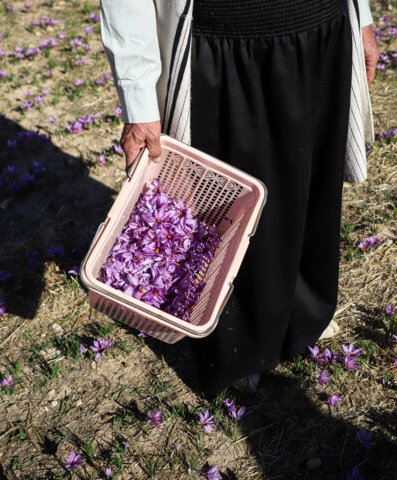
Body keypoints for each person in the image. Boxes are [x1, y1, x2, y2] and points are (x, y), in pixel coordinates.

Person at [100, 0, 378, 395]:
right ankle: (242, 343)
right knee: (235, 204)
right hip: (227, 37)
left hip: (323, 23)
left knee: (313, 178)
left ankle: (303, 314)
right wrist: (138, 94)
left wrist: (361, 16)